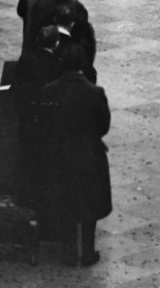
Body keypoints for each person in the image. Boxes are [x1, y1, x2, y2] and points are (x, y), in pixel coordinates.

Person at [43, 42, 112, 267]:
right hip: (89, 153)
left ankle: (69, 252)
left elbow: (46, 123)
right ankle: (88, 251)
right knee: (89, 203)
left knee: (66, 202)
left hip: (61, 153)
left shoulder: (50, 90)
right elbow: (103, 125)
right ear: (83, 63)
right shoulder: (95, 92)